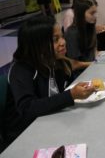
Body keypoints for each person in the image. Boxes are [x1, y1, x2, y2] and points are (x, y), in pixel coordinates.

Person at [2, 16, 96, 148]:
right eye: (55, 40)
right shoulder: (21, 70)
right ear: (36, 45)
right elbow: (27, 108)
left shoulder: (54, 61)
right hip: (23, 135)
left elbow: (59, 91)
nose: (63, 42)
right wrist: (71, 95)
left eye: (62, 36)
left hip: (49, 120)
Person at [64, 0, 98, 68]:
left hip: (92, 67)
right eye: (92, 13)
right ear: (81, 14)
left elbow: (94, 52)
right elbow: (74, 64)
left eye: (95, 13)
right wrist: (95, 64)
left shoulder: (90, 26)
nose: (95, 16)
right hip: (80, 74)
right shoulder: (72, 33)